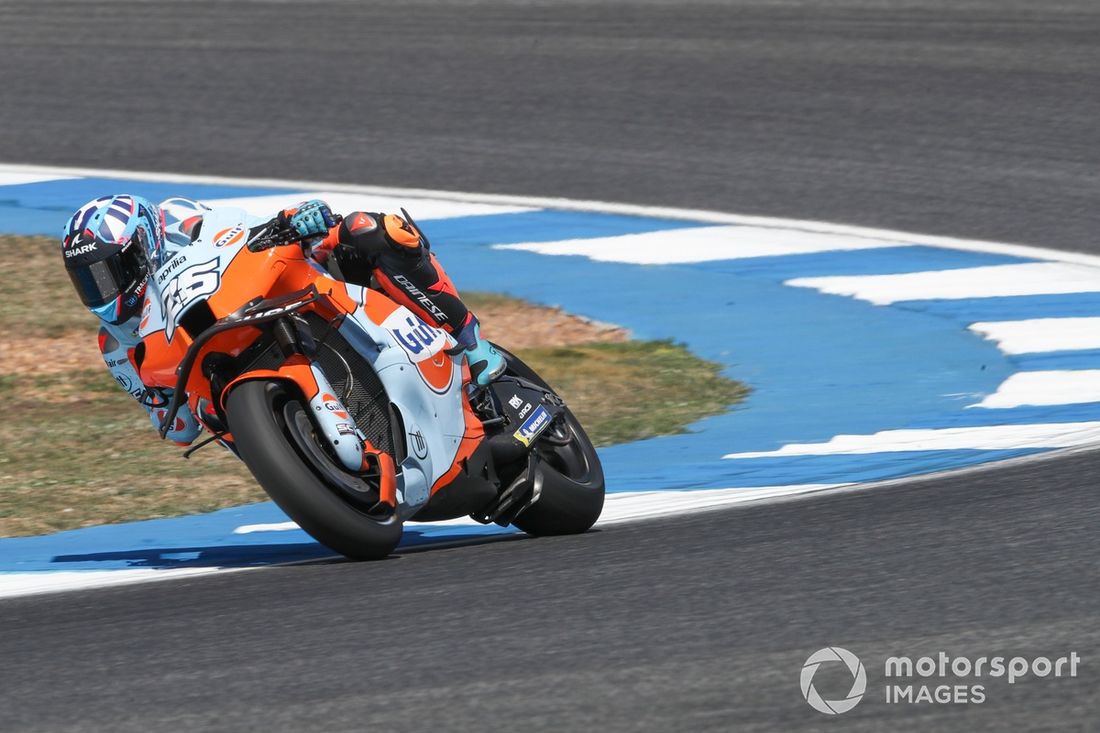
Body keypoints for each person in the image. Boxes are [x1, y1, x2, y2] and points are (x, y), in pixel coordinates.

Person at [60, 194, 506, 445]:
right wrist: (169, 401)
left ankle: (468, 340)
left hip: (274, 293)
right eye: (89, 281)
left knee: (370, 230)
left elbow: (252, 231)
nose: (104, 291)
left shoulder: (185, 220)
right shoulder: (116, 345)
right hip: (225, 367)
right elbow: (176, 430)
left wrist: (298, 220)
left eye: (109, 273)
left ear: (143, 245)